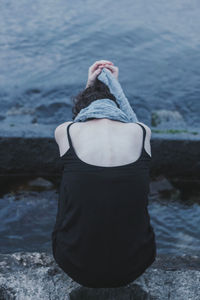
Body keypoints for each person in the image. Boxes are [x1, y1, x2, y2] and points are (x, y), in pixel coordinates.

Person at [51, 60, 156, 288]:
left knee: (69, 187)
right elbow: (131, 119)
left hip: (75, 264)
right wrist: (114, 86)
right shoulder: (142, 131)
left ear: (83, 107)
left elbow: (76, 118)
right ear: (118, 105)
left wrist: (90, 83)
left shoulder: (65, 131)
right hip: (135, 264)